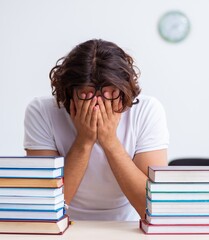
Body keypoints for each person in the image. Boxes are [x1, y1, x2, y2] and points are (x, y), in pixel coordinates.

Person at [24, 39, 169, 221]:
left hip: (128, 225)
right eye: (86, 95)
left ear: (124, 91)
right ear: (68, 93)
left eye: (110, 94)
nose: (97, 105)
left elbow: (154, 209)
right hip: (64, 224)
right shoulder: (42, 111)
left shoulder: (146, 110)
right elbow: (43, 209)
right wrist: (84, 141)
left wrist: (110, 141)